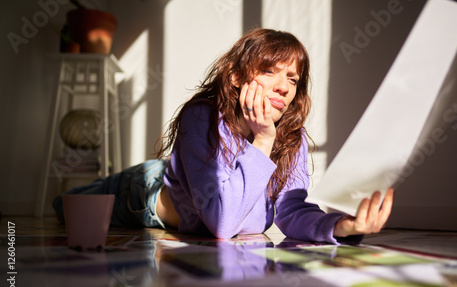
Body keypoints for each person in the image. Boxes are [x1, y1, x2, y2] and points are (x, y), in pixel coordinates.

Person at [53, 28, 393, 244]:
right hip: (145, 192)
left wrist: (341, 226)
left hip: (182, 180)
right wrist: (261, 140)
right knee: (67, 206)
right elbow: (222, 224)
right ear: (235, 78)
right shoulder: (201, 117)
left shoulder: (291, 137)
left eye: (292, 79)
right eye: (270, 71)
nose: (283, 87)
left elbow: (291, 211)